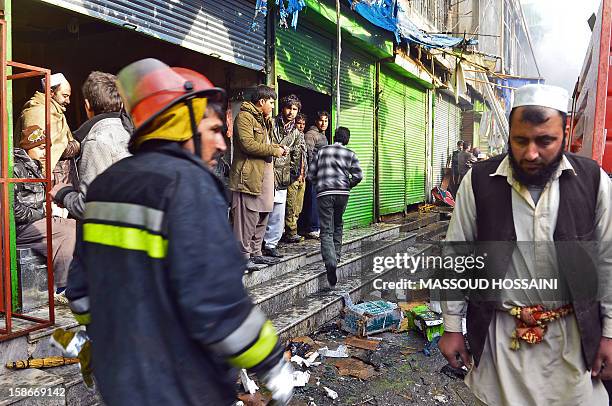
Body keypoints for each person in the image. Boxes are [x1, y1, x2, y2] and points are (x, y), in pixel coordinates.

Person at [64, 59, 294, 405]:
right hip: (182, 384)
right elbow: (214, 298)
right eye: (214, 130)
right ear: (180, 124)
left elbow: (80, 291)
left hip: (119, 380)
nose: (221, 144)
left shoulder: (104, 185)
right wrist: (271, 362)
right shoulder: (189, 186)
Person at [439, 84, 612, 405]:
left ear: (565, 132)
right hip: (500, 341)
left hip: (571, 341)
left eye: (545, 141)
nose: (531, 153)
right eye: (520, 141)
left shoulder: (593, 180)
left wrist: (609, 334)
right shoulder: (479, 181)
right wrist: (451, 326)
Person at [50, 71, 131, 219]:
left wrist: (64, 193)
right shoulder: (131, 135)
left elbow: (89, 207)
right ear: (121, 104)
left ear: (87, 106)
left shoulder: (97, 141)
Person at [14, 125, 76, 302]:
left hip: (31, 223)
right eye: (41, 148)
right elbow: (13, 209)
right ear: (28, 147)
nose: (44, 153)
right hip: (20, 228)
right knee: (67, 230)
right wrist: (44, 212)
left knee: (71, 225)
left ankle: (68, 282)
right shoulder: (16, 168)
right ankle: (63, 286)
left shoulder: (32, 165)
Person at [230, 85, 288, 271]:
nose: (273, 106)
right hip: (248, 175)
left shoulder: (263, 120)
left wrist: (277, 146)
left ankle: (256, 253)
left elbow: (265, 144)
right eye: (271, 103)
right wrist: (273, 150)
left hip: (265, 174)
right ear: (261, 101)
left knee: (263, 214)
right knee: (247, 216)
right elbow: (247, 144)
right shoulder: (244, 117)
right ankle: (242, 256)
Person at [308, 126, 362, 289]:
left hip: (324, 194)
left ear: (333, 136)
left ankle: (330, 262)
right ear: (347, 139)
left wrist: (320, 185)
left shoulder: (322, 152)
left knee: (326, 230)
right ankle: (335, 259)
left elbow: (310, 175)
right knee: (338, 224)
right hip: (342, 194)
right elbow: (359, 175)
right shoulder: (350, 153)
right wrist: (347, 185)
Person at [17, 72, 79, 187]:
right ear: (51, 92)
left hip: (60, 180)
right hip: (48, 182)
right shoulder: (39, 112)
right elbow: (39, 152)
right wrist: (75, 145)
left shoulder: (55, 111)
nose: (68, 101)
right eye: (65, 96)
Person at [262, 95, 305, 257]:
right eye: (289, 108)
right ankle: (258, 243)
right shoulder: (271, 123)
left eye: (295, 109)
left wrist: (292, 175)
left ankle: (271, 244)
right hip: (265, 171)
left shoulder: (296, 132)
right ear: (282, 108)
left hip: (283, 176)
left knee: (278, 213)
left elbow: (296, 156)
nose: (291, 112)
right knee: (263, 209)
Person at [301, 110, 329, 239]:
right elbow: (308, 154)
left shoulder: (322, 135)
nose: (323, 123)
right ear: (316, 121)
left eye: (326, 121)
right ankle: (312, 228)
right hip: (314, 174)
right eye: (321, 120)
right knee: (312, 201)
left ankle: (316, 227)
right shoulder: (311, 134)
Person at [284, 112, 308, 243]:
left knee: (298, 207)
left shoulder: (303, 137)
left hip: (302, 177)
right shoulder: (291, 136)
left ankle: (294, 231)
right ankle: (290, 232)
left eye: (303, 124)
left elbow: (304, 158)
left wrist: (304, 174)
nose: (301, 126)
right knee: (290, 206)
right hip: (293, 177)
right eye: (299, 123)